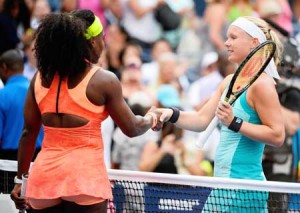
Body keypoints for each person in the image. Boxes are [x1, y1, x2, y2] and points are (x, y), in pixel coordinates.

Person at [10, 9, 159, 213]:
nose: (104, 43)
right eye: (101, 37)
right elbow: (132, 128)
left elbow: (28, 133)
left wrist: (20, 179)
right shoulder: (104, 80)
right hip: (85, 179)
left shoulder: (38, 78)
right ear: (90, 43)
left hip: (44, 180)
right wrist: (152, 117)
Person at [154, 16, 285, 211]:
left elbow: (277, 135)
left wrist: (235, 122)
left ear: (254, 43)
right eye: (227, 37)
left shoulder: (263, 85)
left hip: (245, 188)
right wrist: (169, 114)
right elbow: (200, 120)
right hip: (222, 187)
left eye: (233, 37)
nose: (226, 43)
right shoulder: (228, 81)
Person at [0, 49, 43, 161]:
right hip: (37, 156)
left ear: (4, 67)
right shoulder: (38, 91)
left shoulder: (2, 95)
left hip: (8, 160)